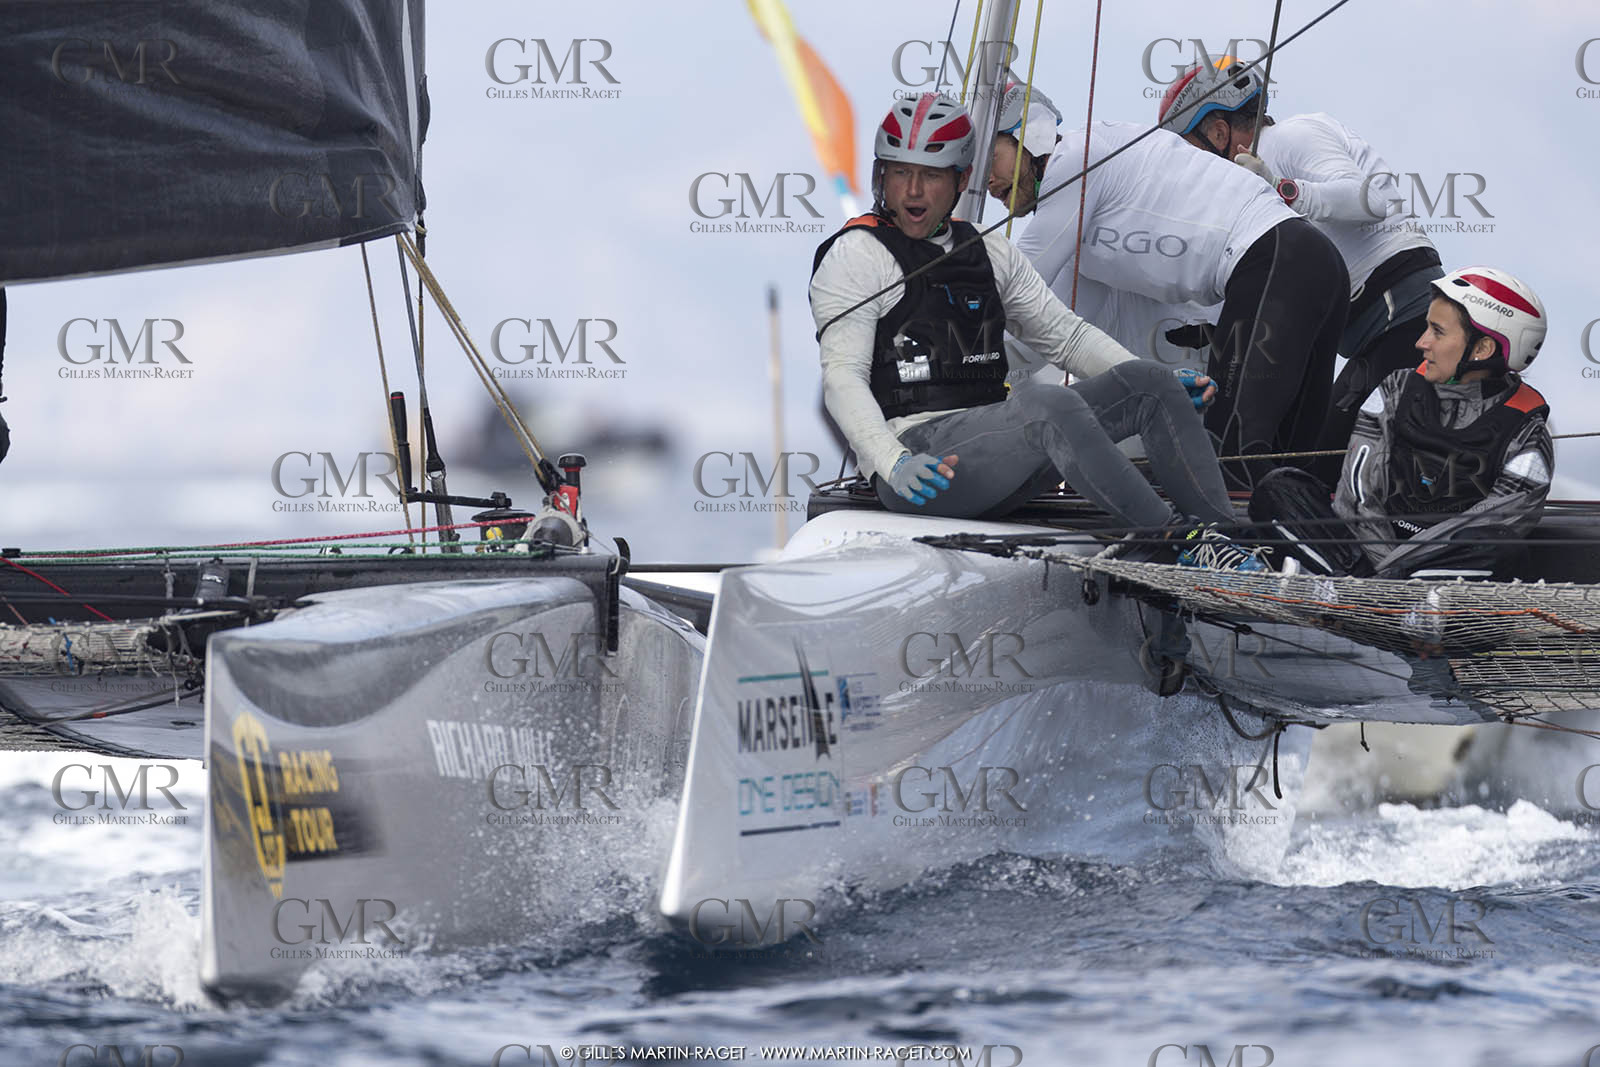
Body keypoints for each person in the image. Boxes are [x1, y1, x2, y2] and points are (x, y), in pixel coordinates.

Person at [809, 92, 1264, 570]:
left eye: (931, 175)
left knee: (1149, 383)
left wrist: (1152, 376)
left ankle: (1223, 543)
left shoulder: (989, 250)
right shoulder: (856, 254)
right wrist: (890, 460)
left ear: (961, 180)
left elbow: (1065, 337)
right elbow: (842, 378)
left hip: (1002, 452)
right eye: (900, 173)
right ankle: (1174, 542)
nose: (913, 191)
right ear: (883, 176)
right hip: (921, 466)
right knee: (1050, 404)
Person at [991, 75, 1349, 492]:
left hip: (1274, 263)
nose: (984, 180)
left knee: (1230, 455)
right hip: (1312, 265)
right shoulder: (1080, 221)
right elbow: (1054, 331)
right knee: (1292, 470)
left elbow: (1011, 284)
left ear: (1028, 136)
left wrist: (947, 358)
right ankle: (1289, 554)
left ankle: (1231, 552)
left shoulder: (1075, 159)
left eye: (990, 158)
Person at [1210, 78, 1445, 484]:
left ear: (1218, 132)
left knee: (1322, 466)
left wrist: (1282, 189)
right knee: (1313, 461)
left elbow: (1370, 199)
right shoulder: (1249, 182)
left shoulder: (1289, 136)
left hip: (1404, 308)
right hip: (1381, 324)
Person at [1250, 267, 1552, 579]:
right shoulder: (1396, 387)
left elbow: (1499, 517)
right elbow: (1358, 494)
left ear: (1482, 349)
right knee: (1279, 488)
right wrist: (1377, 576)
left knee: (1503, 547)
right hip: (1363, 560)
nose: (1422, 343)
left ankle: (1343, 587)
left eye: (1437, 331)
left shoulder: (1527, 427)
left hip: (1431, 567)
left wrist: (1395, 575)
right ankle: (1358, 592)